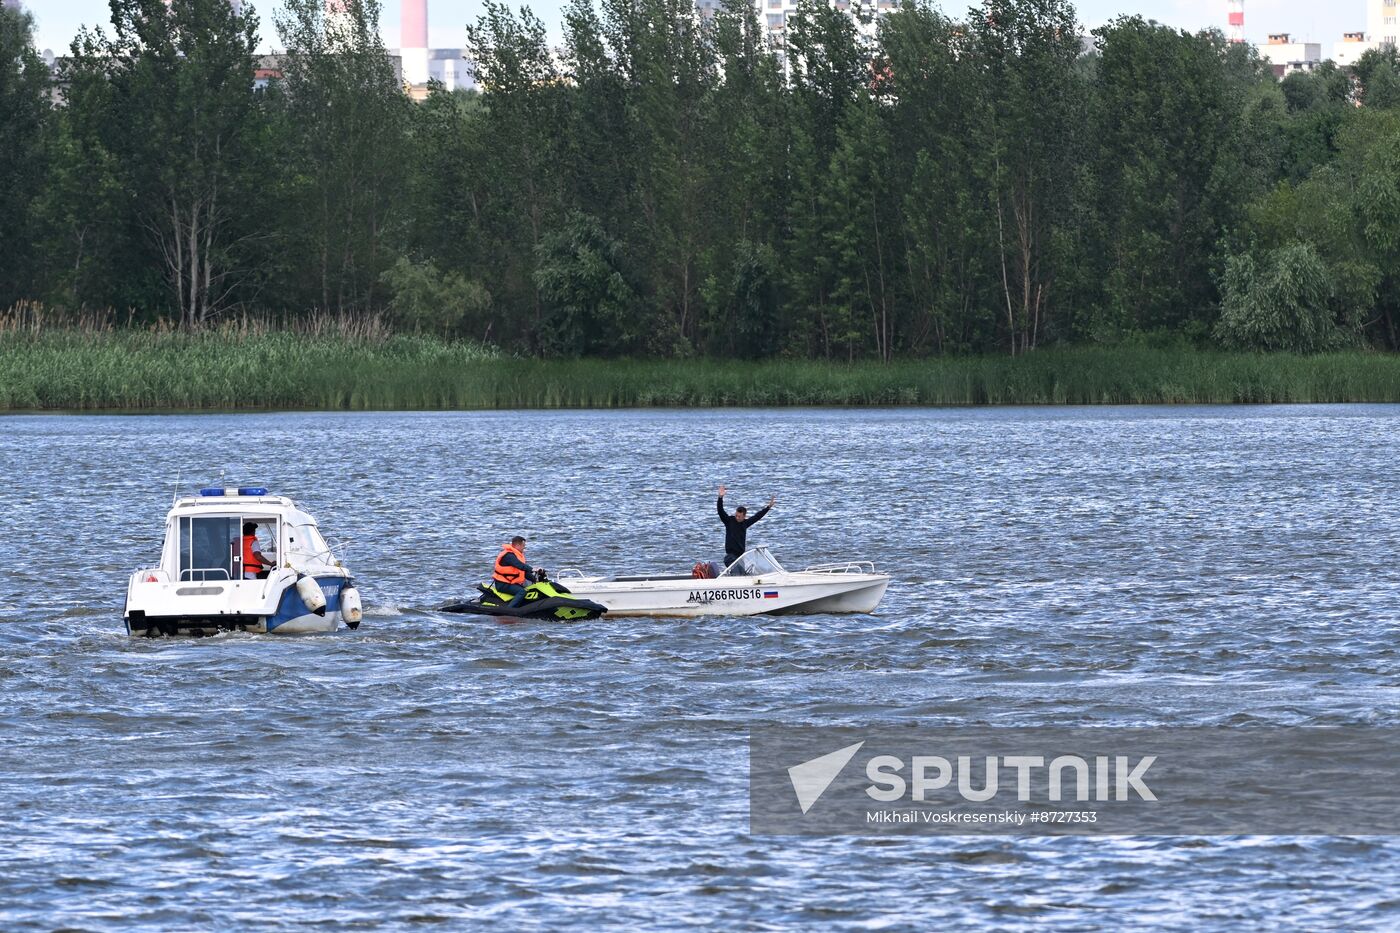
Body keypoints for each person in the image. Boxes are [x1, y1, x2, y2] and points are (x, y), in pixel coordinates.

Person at [717, 485, 775, 571]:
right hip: (730, 556)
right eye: (736, 515)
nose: (737, 517)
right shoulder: (729, 521)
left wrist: (768, 507)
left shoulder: (745, 523)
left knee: (743, 574)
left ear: (744, 516)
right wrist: (720, 497)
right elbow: (720, 511)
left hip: (740, 556)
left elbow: (757, 516)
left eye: (739, 516)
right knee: (737, 573)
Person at [493, 536, 535, 608]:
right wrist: (533, 569)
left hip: (510, 582)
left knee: (530, 588)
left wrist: (536, 580)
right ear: (517, 545)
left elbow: (523, 572)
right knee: (522, 591)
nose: (524, 548)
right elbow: (520, 565)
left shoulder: (516, 555)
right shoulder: (509, 556)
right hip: (502, 584)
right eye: (523, 546)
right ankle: (510, 609)